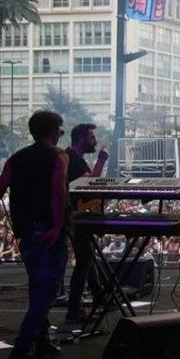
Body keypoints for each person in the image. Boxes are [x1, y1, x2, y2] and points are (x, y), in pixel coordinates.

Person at [0, 111, 70, 359]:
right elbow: (58, 191)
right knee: (47, 291)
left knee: (37, 287)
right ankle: (22, 348)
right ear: (53, 131)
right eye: (60, 131)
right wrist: (57, 226)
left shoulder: (16, 158)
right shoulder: (59, 156)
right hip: (48, 230)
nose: (60, 135)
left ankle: (42, 341)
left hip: (26, 232)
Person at [64, 123, 108, 323]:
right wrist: (101, 160)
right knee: (83, 261)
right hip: (75, 216)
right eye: (91, 137)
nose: (95, 141)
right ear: (81, 138)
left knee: (87, 257)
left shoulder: (76, 159)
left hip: (78, 215)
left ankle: (99, 295)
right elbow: (89, 181)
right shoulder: (71, 159)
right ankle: (74, 310)